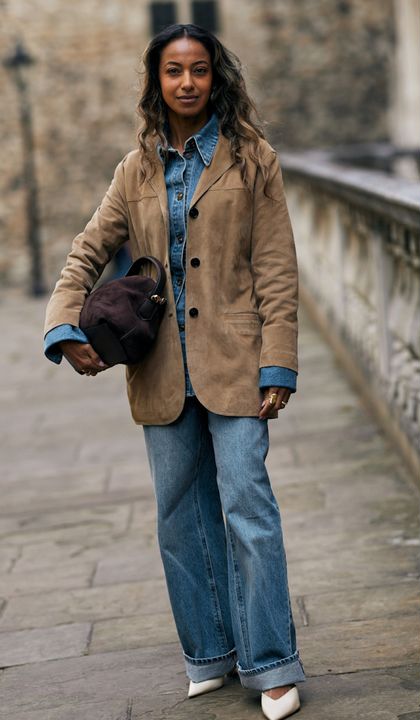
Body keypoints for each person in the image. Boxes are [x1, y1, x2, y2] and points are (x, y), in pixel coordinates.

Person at [42, 24, 304, 720]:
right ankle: (210, 654)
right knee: (180, 519)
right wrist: (63, 326)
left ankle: (273, 663)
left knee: (250, 509)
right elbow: (86, 251)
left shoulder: (254, 161)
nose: (186, 82)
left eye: (198, 70)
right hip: (160, 368)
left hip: (238, 363)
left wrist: (279, 360)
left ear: (216, 78)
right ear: (156, 82)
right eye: (172, 71)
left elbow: (277, 269)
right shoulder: (135, 171)